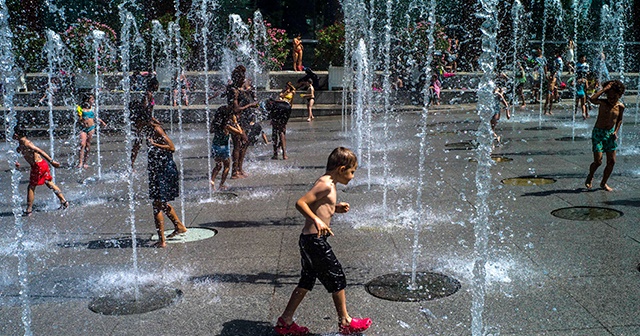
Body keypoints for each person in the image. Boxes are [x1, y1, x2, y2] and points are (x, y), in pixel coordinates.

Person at [275, 147, 371, 336]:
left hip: (309, 240)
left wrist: (334, 208)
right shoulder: (326, 184)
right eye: (352, 172)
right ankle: (346, 321)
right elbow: (301, 203)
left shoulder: (329, 182)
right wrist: (317, 220)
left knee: (306, 280)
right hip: (315, 241)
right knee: (338, 277)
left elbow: (318, 205)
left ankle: (285, 321)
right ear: (341, 169)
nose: (352, 176)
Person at [131, 107, 187, 247]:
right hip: (156, 169)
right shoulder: (143, 130)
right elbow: (137, 145)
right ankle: (179, 226)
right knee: (160, 202)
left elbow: (172, 147)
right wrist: (131, 162)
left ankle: (162, 241)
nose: (133, 123)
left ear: (142, 120)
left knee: (157, 205)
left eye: (135, 121)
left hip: (165, 169)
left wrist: (154, 144)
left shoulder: (156, 130)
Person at [14, 126, 69, 216]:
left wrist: (52, 161)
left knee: (31, 187)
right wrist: (16, 161)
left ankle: (29, 209)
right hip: (41, 165)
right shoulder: (21, 143)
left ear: (16, 135)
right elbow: (18, 151)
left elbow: (40, 151)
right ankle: (64, 201)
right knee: (49, 183)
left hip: (38, 166)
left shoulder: (27, 143)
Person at [585, 80, 625, 192]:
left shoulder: (620, 106)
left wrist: (616, 132)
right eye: (609, 96)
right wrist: (604, 89)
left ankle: (603, 183)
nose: (611, 99)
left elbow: (619, 120)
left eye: (614, 97)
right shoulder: (603, 102)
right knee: (598, 161)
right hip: (598, 133)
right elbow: (592, 99)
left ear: (620, 95)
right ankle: (590, 175)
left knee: (611, 161)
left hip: (610, 134)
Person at [226, 66, 258, 179]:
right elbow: (235, 109)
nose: (244, 80)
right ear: (238, 78)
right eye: (242, 77)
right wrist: (251, 105)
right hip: (235, 120)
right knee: (238, 144)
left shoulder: (239, 90)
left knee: (243, 143)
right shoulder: (234, 91)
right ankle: (234, 172)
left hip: (242, 120)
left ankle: (239, 169)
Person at [210, 106, 244, 190]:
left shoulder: (215, 124)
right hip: (224, 148)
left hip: (215, 146)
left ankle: (212, 181)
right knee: (227, 166)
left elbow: (211, 131)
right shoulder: (227, 126)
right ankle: (221, 184)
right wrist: (235, 122)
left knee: (218, 166)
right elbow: (240, 133)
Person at [131, 77, 160, 167]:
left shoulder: (149, 94)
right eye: (157, 85)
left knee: (145, 141)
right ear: (154, 85)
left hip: (146, 120)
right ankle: (131, 164)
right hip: (143, 121)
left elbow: (148, 111)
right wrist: (151, 122)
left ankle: (151, 162)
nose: (158, 87)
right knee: (139, 142)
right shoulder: (148, 95)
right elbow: (144, 110)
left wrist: (154, 120)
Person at [77, 93, 107, 169]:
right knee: (82, 144)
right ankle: (80, 162)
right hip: (83, 128)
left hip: (91, 128)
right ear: (87, 100)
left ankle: (85, 162)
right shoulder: (80, 108)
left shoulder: (92, 108)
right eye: (92, 99)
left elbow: (95, 117)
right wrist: (81, 119)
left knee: (88, 145)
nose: (93, 101)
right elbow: (78, 118)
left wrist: (102, 122)